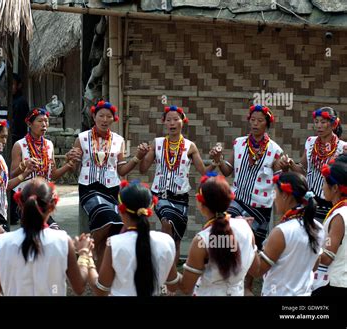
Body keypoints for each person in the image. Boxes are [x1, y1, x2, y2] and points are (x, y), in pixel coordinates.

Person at [209, 105, 283, 294]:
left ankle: (247, 286)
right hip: (237, 199)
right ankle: (224, 274)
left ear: (267, 124)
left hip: (260, 204)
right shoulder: (239, 143)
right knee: (225, 230)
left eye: (260, 120)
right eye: (253, 120)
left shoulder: (275, 150)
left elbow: (279, 176)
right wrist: (218, 159)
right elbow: (227, 171)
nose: (255, 124)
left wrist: (283, 167)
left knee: (253, 244)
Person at [72, 100, 149, 269]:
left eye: (109, 116)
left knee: (114, 229)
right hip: (89, 187)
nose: (105, 119)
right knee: (108, 218)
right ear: (94, 116)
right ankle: (86, 249)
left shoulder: (119, 140)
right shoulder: (82, 138)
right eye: (101, 115)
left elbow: (121, 170)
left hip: (112, 189)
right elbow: (74, 168)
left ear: (113, 119)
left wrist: (137, 157)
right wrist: (72, 160)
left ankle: (100, 274)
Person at [0, 177, 91, 296]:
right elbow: (79, 287)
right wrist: (84, 254)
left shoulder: (4, 241)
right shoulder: (62, 241)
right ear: (52, 206)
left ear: (20, 204)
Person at [139, 105, 212, 262]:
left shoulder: (190, 146)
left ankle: (169, 273)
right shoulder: (157, 143)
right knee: (167, 221)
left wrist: (217, 161)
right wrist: (141, 155)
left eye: (175, 119)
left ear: (182, 122)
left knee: (177, 240)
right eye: (168, 120)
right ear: (164, 122)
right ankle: (164, 265)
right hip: (160, 194)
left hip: (181, 197)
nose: (172, 123)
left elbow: (204, 172)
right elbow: (143, 169)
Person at [87, 180, 179, 296]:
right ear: (149, 210)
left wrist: (87, 256)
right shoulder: (166, 241)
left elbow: (101, 290)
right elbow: (173, 285)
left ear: (122, 211)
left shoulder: (114, 244)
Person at [180, 172, 259, 296]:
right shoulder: (245, 227)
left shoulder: (201, 240)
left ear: (201, 205)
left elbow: (186, 287)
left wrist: (171, 275)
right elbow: (255, 269)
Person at [255, 172, 324, 296]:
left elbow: (258, 270)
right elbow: (314, 266)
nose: (273, 198)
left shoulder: (282, 231)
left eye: (275, 193)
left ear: (285, 195)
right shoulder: (318, 227)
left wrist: (246, 236)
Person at [10, 107, 81, 228]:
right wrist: (24, 166)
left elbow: (52, 175)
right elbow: (12, 175)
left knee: (48, 230)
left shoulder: (49, 145)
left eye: (46, 121)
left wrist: (69, 165)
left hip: (43, 196)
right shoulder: (19, 145)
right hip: (26, 198)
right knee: (44, 230)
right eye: (40, 121)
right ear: (29, 123)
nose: (44, 124)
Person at [283, 107, 344, 223]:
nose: (319, 125)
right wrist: (290, 163)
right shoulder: (311, 141)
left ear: (333, 124)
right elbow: (302, 169)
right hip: (309, 199)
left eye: (323, 122)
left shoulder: (342, 147)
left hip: (329, 202)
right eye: (316, 122)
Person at [311, 162, 347, 296]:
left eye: (324, 183)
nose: (322, 188)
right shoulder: (340, 211)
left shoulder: (340, 215)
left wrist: (302, 251)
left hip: (337, 283)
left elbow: (327, 257)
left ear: (335, 188)